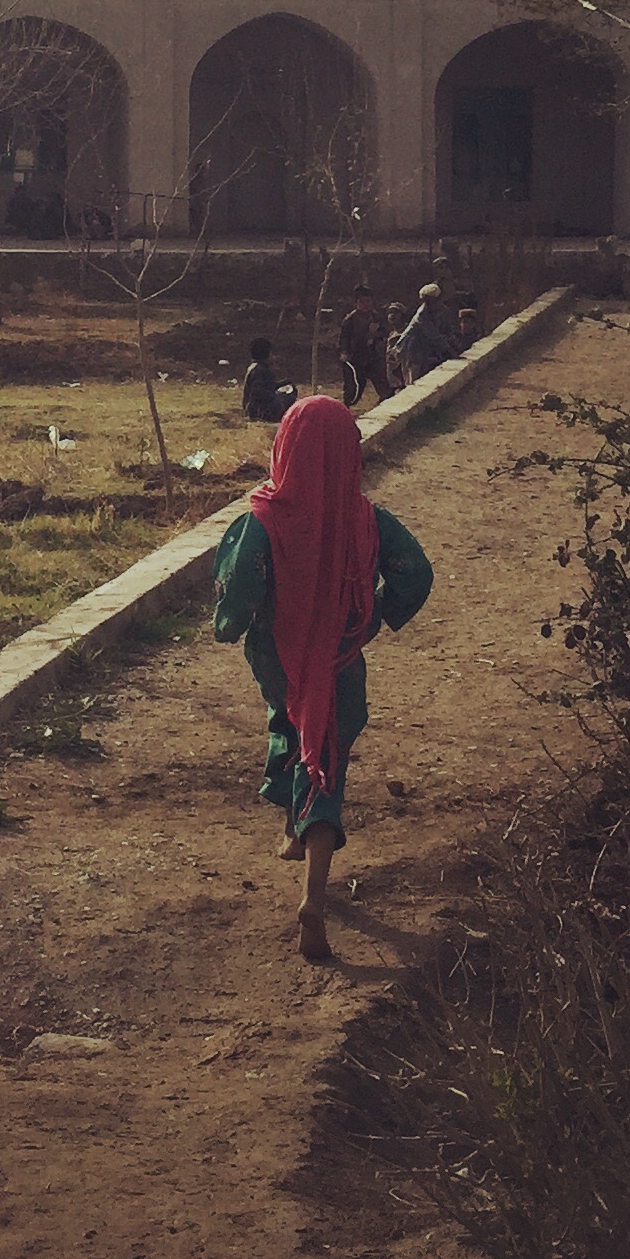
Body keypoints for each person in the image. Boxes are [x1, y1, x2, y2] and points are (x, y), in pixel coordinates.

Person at [213, 394, 432, 960]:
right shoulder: (369, 523)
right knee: (326, 752)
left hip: (277, 657)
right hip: (339, 658)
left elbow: (237, 594)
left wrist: (234, 623)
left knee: (290, 726)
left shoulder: (261, 523)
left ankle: (295, 838)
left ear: (285, 448)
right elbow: (416, 575)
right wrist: (373, 614)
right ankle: (313, 886)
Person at [391, 282, 462, 385]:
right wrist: (450, 351)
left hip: (427, 350)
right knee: (414, 379)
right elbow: (434, 336)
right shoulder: (422, 315)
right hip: (412, 349)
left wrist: (456, 346)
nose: (429, 304)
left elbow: (447, 330)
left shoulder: (442, 311)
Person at [336, 285, 390, 406]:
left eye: (368, 301)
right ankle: (345, 408)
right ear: (356, 303)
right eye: (362, 302)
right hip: (355, 358)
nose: (365, 305)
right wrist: (344, 352)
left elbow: (386, 332)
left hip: (373, 357)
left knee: (382, 383)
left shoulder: (376, 317)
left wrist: (375, 335)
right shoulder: (350, 320)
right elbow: (343, 338)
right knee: (354, 387)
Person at [240, 336, 297, 423]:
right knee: (290, 395)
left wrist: (283, 383)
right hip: (260, 411)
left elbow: (267, 386)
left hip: (255, 408)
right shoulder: (260, 370)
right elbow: (261, 394)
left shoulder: (255, 367)